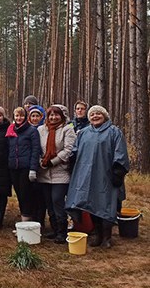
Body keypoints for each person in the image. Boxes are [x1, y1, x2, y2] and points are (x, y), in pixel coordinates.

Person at [66, 106, 129, 249]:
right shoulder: (84, 133)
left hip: (107, 176)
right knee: (91, 205)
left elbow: (121, 153)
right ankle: (97, 235)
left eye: (98, 113)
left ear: (105, 116)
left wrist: (118, 172)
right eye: (92, 114)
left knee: (107, 206)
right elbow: (75, 149)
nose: (95, 116)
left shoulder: (114, 132)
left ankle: (107, 237)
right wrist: (71, 161)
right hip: (87, 176)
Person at [37, 106, 76, 244]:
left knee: (57, 200)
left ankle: (62, 231)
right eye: (50, 115)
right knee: (49, 203)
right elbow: (36, 148)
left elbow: (68, 149)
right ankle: (54, 229)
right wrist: (40, 162)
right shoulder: (41, 130)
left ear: (62, 116)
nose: (53, 117)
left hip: (61, 172)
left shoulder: (67, 129)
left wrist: (53, 162)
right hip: (44, 173)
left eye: (56, 115)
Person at [6, 107, 41, 222]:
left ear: (25, 117)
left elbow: (36, 150)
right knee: (20, 195)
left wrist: (33, 169)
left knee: (26, 195)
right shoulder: (11, 130)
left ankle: (27, 222)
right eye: (16, 116)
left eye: (21, 116)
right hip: (13, 168)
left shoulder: (31, 131)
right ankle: (24, 219)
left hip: (25, 168)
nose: (19, 118)